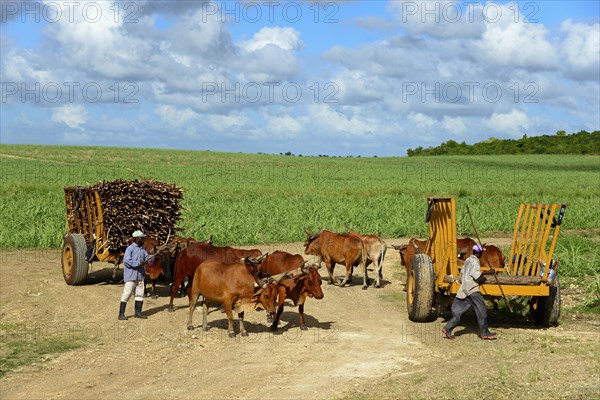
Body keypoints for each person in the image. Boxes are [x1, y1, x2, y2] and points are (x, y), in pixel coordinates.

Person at [442, 244, 497, 340]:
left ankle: (447, 328)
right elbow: (477, 276)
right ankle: (485, 332)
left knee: (458, 312)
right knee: (482, 310)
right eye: (482, 252)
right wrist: (489, 273)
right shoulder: (475, 261)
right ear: (478, 253)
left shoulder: (467, 260)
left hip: (464, 290)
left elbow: (462, 273)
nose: (482, 254)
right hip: (472, 289)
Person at [118, 230, 153, 320]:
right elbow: (126, 261)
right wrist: (138, 263)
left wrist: (152, 257)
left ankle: (138, 313)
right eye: (141, 238)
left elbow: (147, 259)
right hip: (131, 276)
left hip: (140, 276)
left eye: (143, 238)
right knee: (126, 294)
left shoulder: (143, 250)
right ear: (136, 238)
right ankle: (121, 314)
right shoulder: (130, 249)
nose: (143, 239)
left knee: (139, 294)